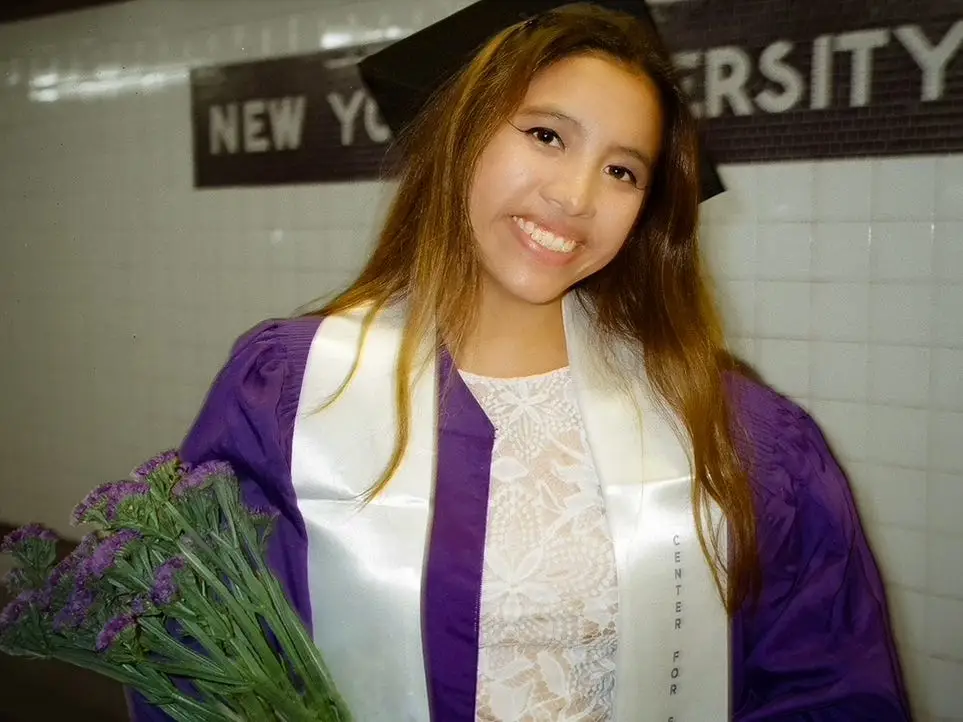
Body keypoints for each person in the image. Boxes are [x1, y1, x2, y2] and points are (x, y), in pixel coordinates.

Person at [131, 2, 911, 720]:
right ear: (460, 136)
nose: (576, 196)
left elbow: (827, 689)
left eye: (622, 170)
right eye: (545, 135)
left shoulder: (738, 433)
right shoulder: (296, 392)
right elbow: (196, 661)